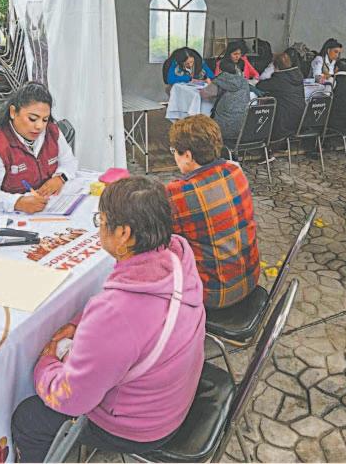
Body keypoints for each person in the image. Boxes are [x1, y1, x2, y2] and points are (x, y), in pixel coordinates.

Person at [11, 177, 205, 462]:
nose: (99, 228)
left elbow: (72, 400)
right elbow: (128, 318)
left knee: (28, 418)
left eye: (100, 221)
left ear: (124, 233)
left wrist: (46, 362)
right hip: (173, 396)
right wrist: (78, 323)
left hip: (143, 426)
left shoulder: (117, 313)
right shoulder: (177, 256)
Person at [166, 115, 260, 309]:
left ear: (188, 156)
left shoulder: (178, 193)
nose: (174, 156)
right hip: (250, 278)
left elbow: (160, 239)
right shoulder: (235, 171)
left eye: (174, 151)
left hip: (214, 294)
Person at [0, 82, 77, 213]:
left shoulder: (52, 131)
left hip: (39, 208)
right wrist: (17, 202)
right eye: (32, 119)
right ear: (13, 112)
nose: (39, 126)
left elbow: (69, 161)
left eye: (45, 119)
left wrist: (60, 178)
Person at [257, 50, 306, 139]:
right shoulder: (298, 76)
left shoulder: (279, 78)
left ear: (276, 66)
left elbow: (260, 85)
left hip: (283, 123)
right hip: (299, 120)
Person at [211, 58, 252, 141]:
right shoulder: (244, 81)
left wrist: (209, 83)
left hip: (221, 129)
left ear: (220, 70)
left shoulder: (220, 79)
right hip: (242, 128)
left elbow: (204, 94)